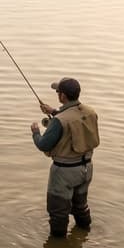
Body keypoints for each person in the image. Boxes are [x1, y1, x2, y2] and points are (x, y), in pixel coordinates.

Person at [30, 77, 99, 238]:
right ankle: (85, 233)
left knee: (58, 214)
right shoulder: (90, 112)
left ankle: (58, 246)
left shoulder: (59, 121)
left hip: (64, 173)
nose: (57, 94)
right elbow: (74, 119)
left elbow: (43, 145)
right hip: (87, 169)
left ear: (63, 96)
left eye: (58, 92)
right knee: (80, 206)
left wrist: (35, 133)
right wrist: (53, 111)